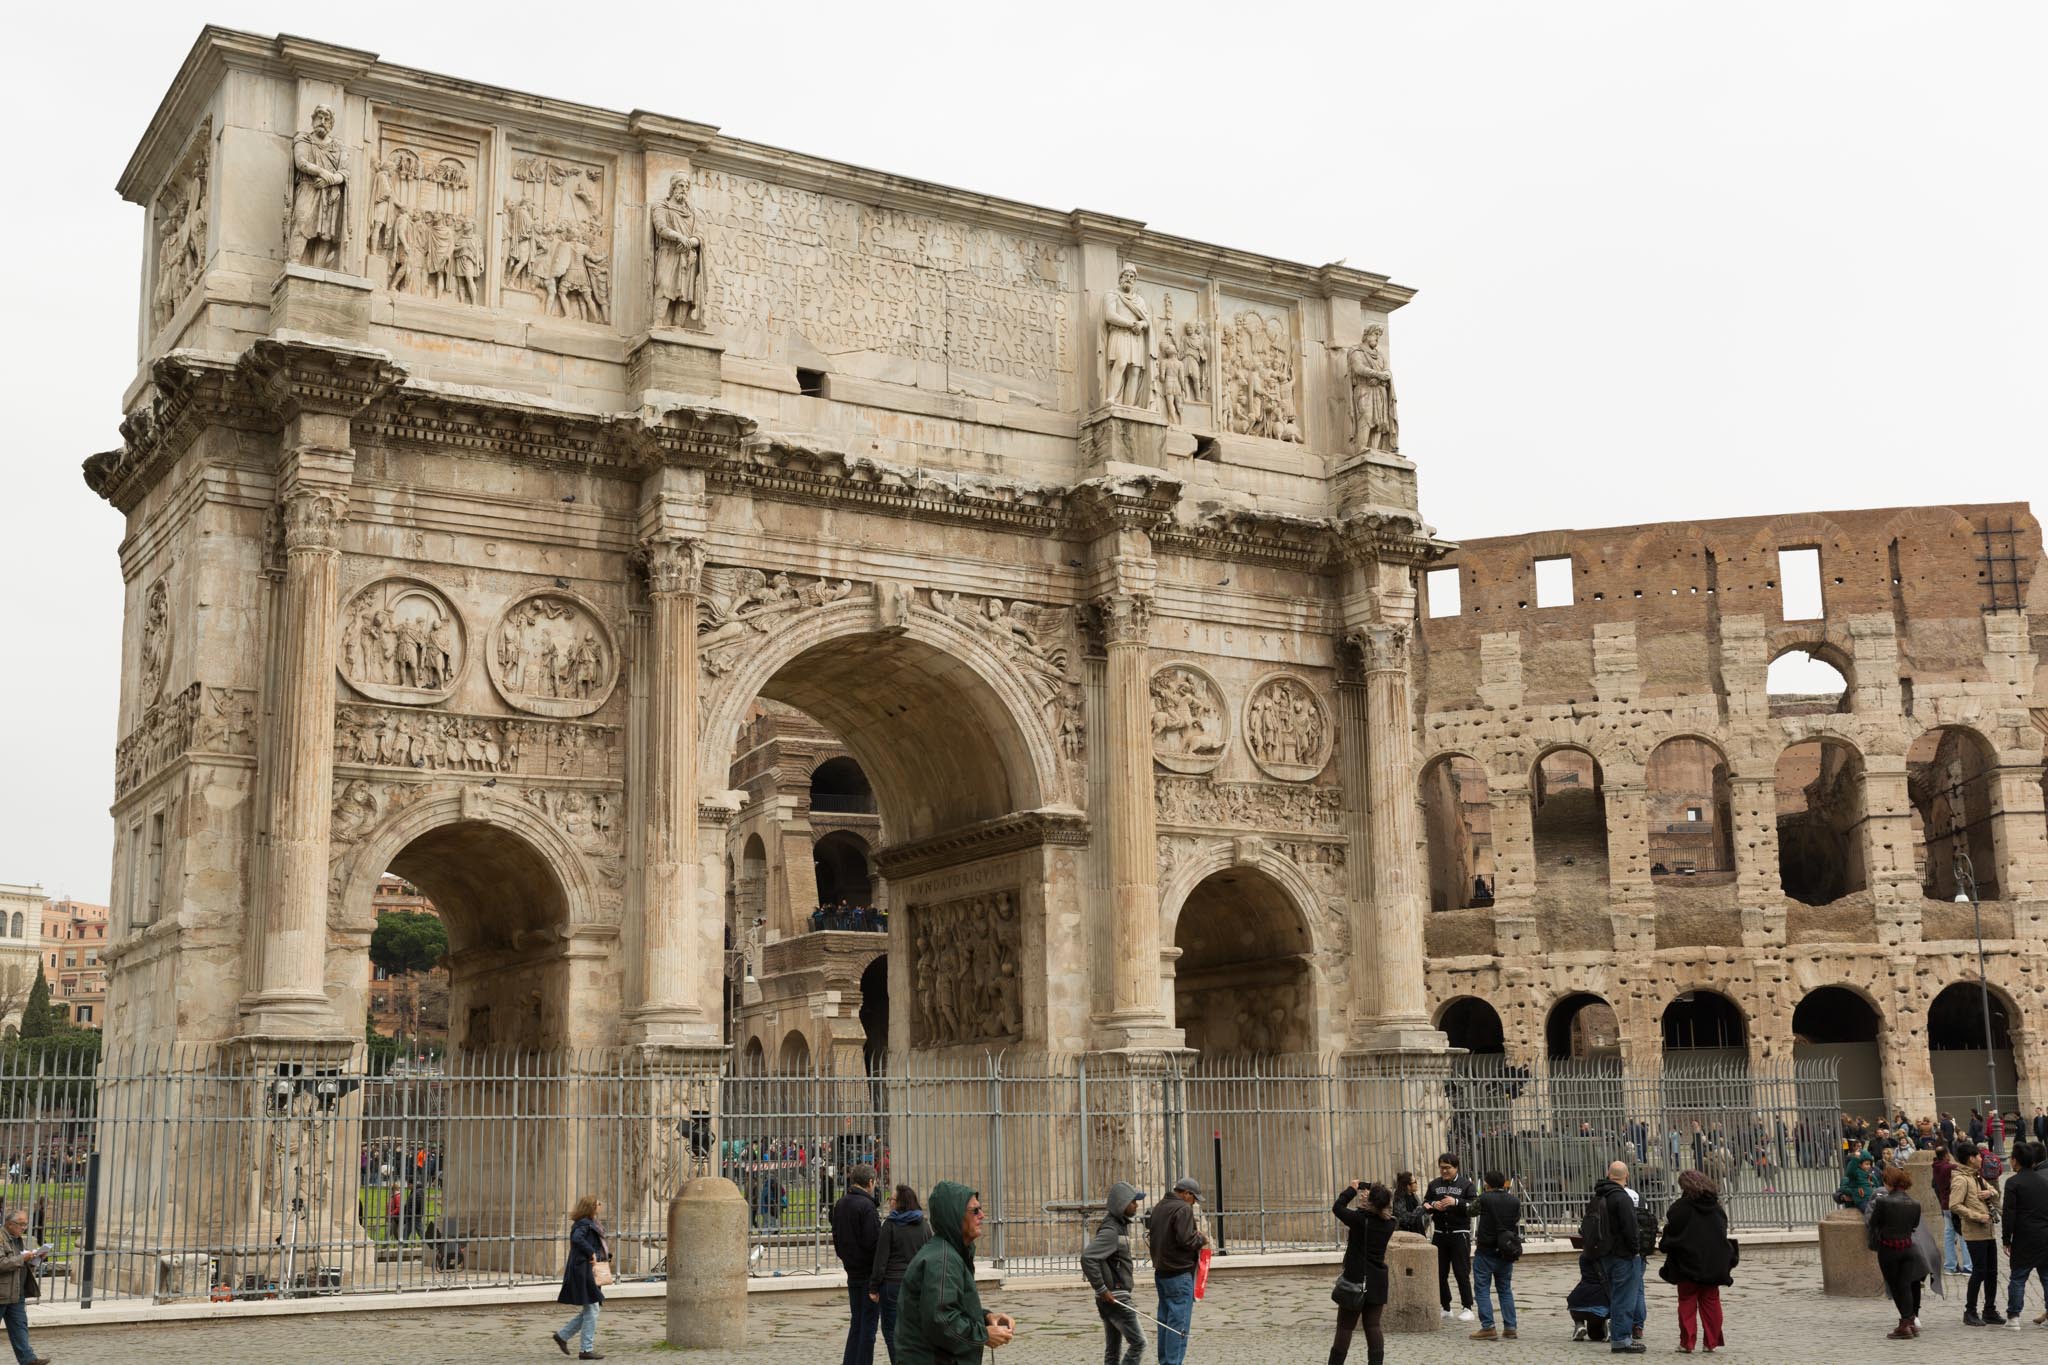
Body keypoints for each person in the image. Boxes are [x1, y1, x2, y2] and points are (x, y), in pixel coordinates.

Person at [894, 1181, 1014, 1364]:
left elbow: (950, 1305)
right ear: (954, 1216)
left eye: (980, 1209)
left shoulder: (950, 1252)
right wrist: (982, 1335)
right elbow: (941, 1319)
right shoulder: (942, 1260)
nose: (982, 1215)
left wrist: (985, 1318)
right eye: (975, 1211)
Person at [1657, 1170, 1732, 1353]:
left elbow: (1672, 1235)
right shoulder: (1717, 1208)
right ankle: (1711, 1342)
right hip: (1712, 1264)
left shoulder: (1679, 1208)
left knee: (1687, 1301)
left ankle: (1687, 1342)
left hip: (1686, 1264)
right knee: (1711, 1301)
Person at [1330, 1180, 1395, 1365]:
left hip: (1355, 1279)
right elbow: (1381, 1214)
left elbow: (1338, 1207)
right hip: (1377, 1281)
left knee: (1345, 1327)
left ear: (1371, 1202)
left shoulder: (1359, 1219)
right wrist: (1371, 1203)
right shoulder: (1390, 1224)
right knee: (1373, 1326)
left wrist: (1351, 1190)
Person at [1583, 1161, 1645, 1353]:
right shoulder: (1622, 1198)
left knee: (1617, 1297)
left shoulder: (1598, 1196)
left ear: (1608, 1174)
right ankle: (1621, 1339)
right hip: (1623, 1255)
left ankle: (1619, 1336)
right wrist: (1636, 1250)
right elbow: (1630, 1228)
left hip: (1603, 1254)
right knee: (1625, 1299)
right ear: (1626, 1176)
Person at [1080, 1181, 1144, 1365]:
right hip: (1116, 1296)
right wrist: (1101, 1288)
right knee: (1139, 1343)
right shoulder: (1111, 1231)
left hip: (1114, 1295)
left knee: (1113, 1348)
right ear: (1122, 1204)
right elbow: (1088, 1258)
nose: (1136, 1205)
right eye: (1133, 1201)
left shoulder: (1120, 1226)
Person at [869, 1184, 933, 1364]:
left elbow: (881, 1260)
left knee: (892, 1331)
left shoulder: (890, 1225)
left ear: (901, 1203)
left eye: (892, 1200)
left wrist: (873, 1287)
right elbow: (929, 1256)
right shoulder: (924, 1225)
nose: (889, 1203)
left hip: (892, 1285)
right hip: (916, 1285)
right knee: (915, 1331)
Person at [1148, 1179, 1207, 1365]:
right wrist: (1201, 1239)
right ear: (1186, 1194)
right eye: (1194, 1198)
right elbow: (1186, 1240)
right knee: (1178, 1325)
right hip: (1179, 1273)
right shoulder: (1182, 1209)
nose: (1194, 1203)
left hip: (1162, 1272)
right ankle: (1173, 1363)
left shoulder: (1159, 1206)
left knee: (1165, 1322)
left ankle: (1166, 1361)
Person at [833, 1164, 883, 1365]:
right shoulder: (866, 1206)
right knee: (868, 1326)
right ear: (870, 1182)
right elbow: (873, 1242)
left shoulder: (841, 1203)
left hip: (851, 1269)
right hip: (867, 1273)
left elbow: (837, 1237)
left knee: (856, 1323)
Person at [1868, 1166, 1925, 1338]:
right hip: (1908, 1247)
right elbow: (1914, 1225)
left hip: (1889, 1249)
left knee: (1895, 1287)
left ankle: (1905, 1324)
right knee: (1906, 1285)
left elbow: (1873, 1223)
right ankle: (1910, 1321)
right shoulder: (1915, 1204)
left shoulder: (1883, 1202)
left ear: (1888, 1182)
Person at [1953, 1139, 2005, 1325]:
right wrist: (1976, 1216)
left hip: (1989, 1231)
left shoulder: (1976, 1176)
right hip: (1975, 1232)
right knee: (1979, 1271)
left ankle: (1989, 1310)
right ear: (1970, 1159)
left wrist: (1989, 1193)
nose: (1981, 1158)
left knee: (1992, 1272)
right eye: (1978, 1156)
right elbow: (1954, 1205)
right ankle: (1970, 1311)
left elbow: (1994, 1191)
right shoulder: (1961, 1179)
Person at [552, 1194, 609, 1360]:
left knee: (590, 1309)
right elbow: (577, 1239)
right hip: (583, 1271)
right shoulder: (584, 1224)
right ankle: (585, 1350)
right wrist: (591, 1252)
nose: (600, 1205)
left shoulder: (590, 1223)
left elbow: (592, 1242)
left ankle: (562, 1336)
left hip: (587, 1270)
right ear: (591, 1206)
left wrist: (602, 1254)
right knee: (592, 1309)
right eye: (598, 1203)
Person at [1423, 1153, 1477, 1322]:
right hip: (1439, 1234)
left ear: (1456, 1168)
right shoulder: (1434, 1185)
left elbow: (1475, 1207)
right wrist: (1433, 1205)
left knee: (1462, 1272)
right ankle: (1445, 1306)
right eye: (1442, 1168)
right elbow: (1425, 1203)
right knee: (1439, 1273)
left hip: (1459, 1234)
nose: (1444, 1171)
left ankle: (1467, 1307)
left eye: (1448, 1168)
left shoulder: (1466, 1185)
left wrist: (1456, 1203)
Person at [2002, 1140, 2048, 1330]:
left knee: (2018, 1277)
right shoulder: (2044, 1182)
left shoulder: (2013, 1182)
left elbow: (2009, 1213)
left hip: (2024, 1237)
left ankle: (2013, 1317)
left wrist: (2006, 1239)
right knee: (2047, 1277)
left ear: (2015, 1161)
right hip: (2045, 1235)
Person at [1470, 1170, 1520, 1340]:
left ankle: (1488, 1327)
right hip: (1505, 1250)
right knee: (1505, 1289)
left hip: (1486, 1250)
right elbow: (1515, 1219)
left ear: (1487, 1184)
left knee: (1482, 1289)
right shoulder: (1514, 1200)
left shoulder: (1484, 1198)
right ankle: (1510, 1327)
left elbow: (1471, 1212)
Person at [0, 1209, 48, 1365]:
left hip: (16, 1292)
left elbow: (20, 1264)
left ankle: (28, 1360)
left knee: (20, 1327)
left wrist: (35, 1258)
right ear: (9, 1224)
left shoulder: (17, 1239)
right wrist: (22, 1257)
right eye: (21, 1224)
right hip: (1, 1293)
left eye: (25, 1225)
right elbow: (2, 1263)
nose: (24, 1228)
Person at [1934, 1142, 1972, 1275]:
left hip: (1944, 1205)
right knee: (1963, 1234)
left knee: (1949, 1234)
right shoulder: (1948, 1167)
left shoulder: (1936, 1166)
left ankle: (1950, 1266)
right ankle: (1968, 1266)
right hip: (1954, 1204)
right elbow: (1963, 1167)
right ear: (1946, 1155)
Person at [1568, 1250, 1612, 1342]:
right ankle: (1608, 1321)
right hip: (1601, 1307)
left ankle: (1579, 1325)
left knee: (1594, 1335)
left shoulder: (1583, 1257)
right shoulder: (1608, 1256)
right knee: (1612, 1303)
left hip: (1577, 1304)